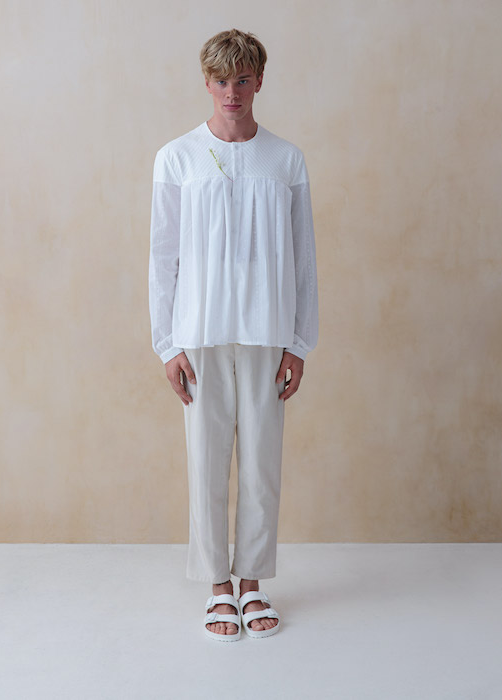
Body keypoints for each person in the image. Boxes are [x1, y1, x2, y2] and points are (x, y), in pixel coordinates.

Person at [148, 28, 319, 641]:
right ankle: (217, 584)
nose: (232, 92)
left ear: (259, 81)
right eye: (221, 80)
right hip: (200, 331)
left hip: (268, 329)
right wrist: (167, 343)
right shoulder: (177, 157)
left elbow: (303, 257)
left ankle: (251, 582)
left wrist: (299, 341)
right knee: (206, 459)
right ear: (207, 82)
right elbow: (161, 256)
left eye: (242, 79)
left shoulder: (285, 159)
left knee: (262, 463)